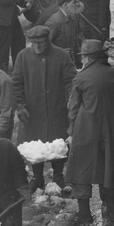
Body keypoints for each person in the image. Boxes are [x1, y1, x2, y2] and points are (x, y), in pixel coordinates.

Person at [64, 40, 114, 226]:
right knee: (109, 169)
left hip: (85, 131)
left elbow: (73, 110)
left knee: (81, 170)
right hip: (112, 132)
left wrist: (73, 130)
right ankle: (111, 211)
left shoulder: (81, 78)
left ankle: (84, 215)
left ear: (86, 58)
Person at [12, 25, 76, 191]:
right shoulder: (23, 56)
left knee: (58, 144)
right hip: (33, 112)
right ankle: (38, 177)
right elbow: (17, 83)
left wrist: (71, 101)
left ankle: (58, 175)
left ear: (47, 40)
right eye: (34, 43)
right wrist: (19, 105)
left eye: (41, 43)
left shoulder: (61, 56)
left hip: (57, 109)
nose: (37, 46)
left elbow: (71, 81)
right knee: (35, 145)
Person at [45, 0, 84, 67]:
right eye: (74, 2)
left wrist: (79, 60)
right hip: (56, 64)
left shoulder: (73, 18)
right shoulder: (54, 22)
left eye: (78, 2)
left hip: (69, 62)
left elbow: (75, 42)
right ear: (65, 5)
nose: (78, 5)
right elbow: (45, 46)